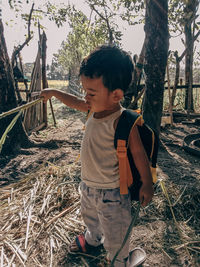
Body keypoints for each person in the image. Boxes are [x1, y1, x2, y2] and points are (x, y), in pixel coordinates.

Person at [40, 45, 154, 266]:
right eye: (85, 90)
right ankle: (93, 239)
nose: (85, 97)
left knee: (116, 231)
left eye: (91, 92)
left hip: (112, 194)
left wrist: (147, 183)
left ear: (116, 95)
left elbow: (139, 154)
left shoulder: (123, 121)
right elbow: (75, 102)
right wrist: (53, 93)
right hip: (88, 186)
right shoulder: (94, 108)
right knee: (90, 218)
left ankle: (118, 259)